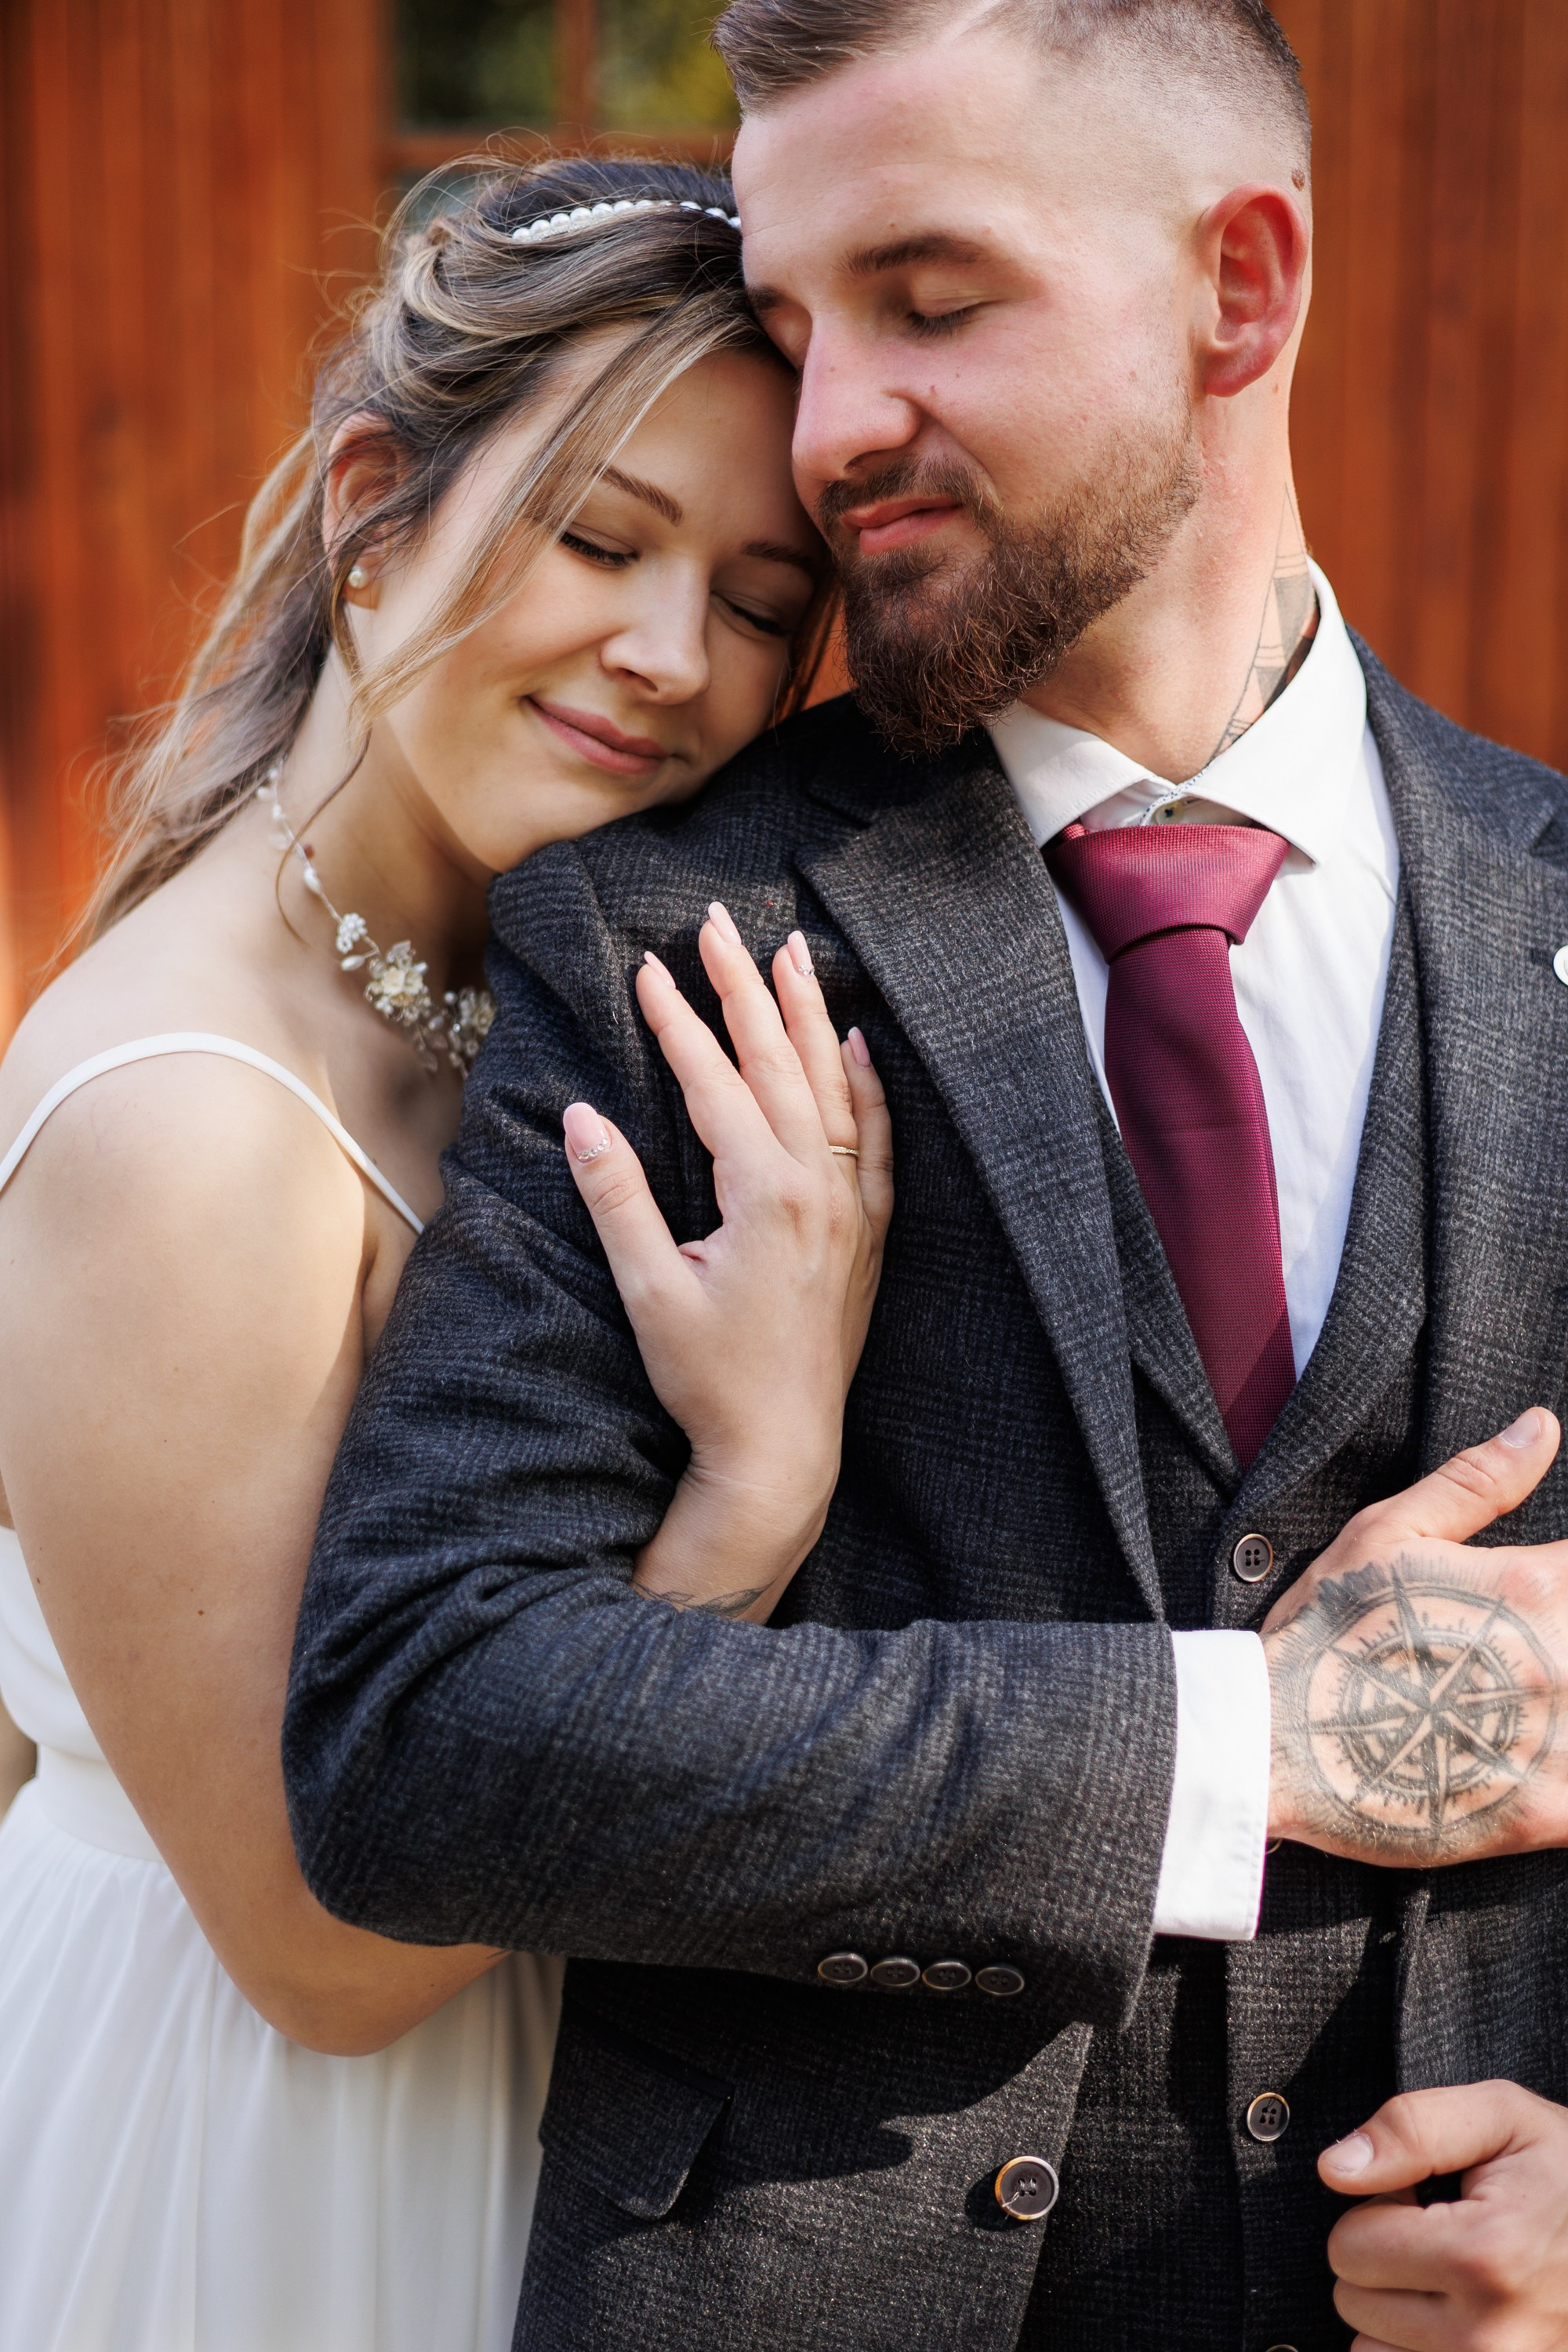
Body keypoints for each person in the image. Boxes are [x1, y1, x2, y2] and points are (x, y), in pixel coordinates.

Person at [286, 5, 1568, 2350]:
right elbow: (420, 1735)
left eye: (932, 299)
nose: (830, 419)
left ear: (1242, 288)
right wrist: (1231, 1742)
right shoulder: (666, 930)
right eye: (795, 327)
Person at [0, 154, 892, 2352]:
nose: (675, 658)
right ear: (371, 512)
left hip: (539, 2111)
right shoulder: (184, 1130)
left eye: (766, 601)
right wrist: (747, 1504)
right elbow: (321, 1952)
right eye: (601, 541)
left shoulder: (527, 1001)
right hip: (271, 2163)